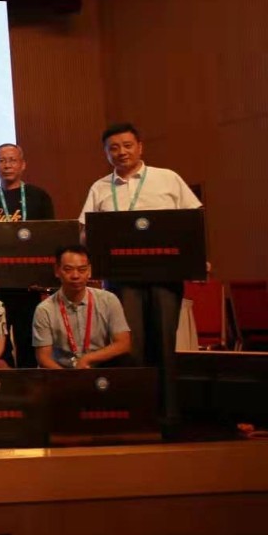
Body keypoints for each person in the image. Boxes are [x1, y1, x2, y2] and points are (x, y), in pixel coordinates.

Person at [79, 122, 200, 421]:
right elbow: (84, 231)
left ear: (140, 146)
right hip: (121, 279)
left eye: (127, 145)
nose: (121, 152)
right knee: (129, 347)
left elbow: (193, 221)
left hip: (165, 275)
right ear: (106, 153)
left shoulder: (167, 178)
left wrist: (197, 258)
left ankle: (168, 416)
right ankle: (137, 414)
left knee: (164, 344)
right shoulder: (100, 187)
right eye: (113, 148)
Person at [0, 143, 56, 368]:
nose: (7, 165)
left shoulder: (38, 197)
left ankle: (28, 384)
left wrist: (46, 280)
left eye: (12, 160)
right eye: (2, 160)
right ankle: (5, 385)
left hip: (30, 285)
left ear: (23, 164)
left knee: (29, 341)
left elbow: (50, 238)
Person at [32, 245, 133, 369]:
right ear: (57, 271)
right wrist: (69, 377)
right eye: (68, 269)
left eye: (82, 269)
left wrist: (88, 359)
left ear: (89, 271)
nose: (75, 275)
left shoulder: (108, 300)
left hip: (99, 367)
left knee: (126, 361)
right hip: (62, 371)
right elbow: (43, 358)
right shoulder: (44, 309)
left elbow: (123, 343)